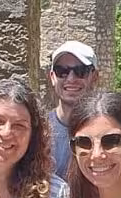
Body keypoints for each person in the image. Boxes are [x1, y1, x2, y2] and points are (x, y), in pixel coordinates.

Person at [47, 40, 100, 179]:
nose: (71, 78)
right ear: (52, 77)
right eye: (62, 71)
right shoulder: (38, 130)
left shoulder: (107, 130)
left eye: (80, 71)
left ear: (94, 77)